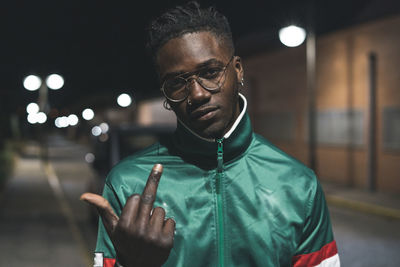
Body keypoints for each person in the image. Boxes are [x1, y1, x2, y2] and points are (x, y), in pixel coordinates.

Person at [81, 2, 340, 266]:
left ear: (237, 70)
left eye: (210, 72)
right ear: (165, 95)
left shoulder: (298, 184)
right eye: (176, 83)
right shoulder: (129, 183)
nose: (197, 94)